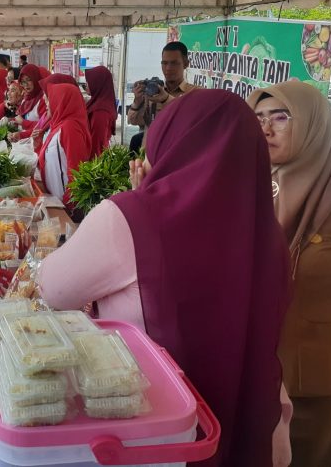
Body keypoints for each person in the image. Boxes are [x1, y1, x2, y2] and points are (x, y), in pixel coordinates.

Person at [38, 89, 291, 467]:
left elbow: (52, 288)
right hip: (248, 422)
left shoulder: (129, 216)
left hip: (154, 434)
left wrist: (142, 198)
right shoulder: (268, 235)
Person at [248, 81, 331, 467]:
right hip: (265, 371)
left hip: (325, 380)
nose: (266, 129)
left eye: (281, 117)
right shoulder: (261, 185)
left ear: (313, 123)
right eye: (259, 118)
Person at [127, 41, 198, 147]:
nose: (168, 68)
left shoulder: (196, 93)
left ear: (186, 64)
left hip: (177, 158)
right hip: (148, 158)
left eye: (174, 63)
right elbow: (133, 121)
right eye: (164, 63)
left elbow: (193, 122)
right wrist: (137, 101)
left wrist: (166, 99)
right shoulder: (153, 92)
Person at [37, 83, 91, 209]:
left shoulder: (70, 128)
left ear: (61, 101)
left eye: (50, 100)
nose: (47, 104)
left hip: (65, 206)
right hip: (55, 201)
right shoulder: (59, 125)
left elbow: (77, 171)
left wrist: (69, 205)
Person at [85, 66, 117, 157]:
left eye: (89, 81)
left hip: (94, 161)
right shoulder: (99, 102)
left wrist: (90, 167)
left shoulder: (100, 111)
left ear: (98, 82)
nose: (86, 84)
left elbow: (97, 144)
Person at [16, 64, 47, 129]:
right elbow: (20, 116)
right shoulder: (27, 97)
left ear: (35, 78)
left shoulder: (43, 99)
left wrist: (23, 122)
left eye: (29, 79)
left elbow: (44, 126)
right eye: (23, 82)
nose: (26, 84)